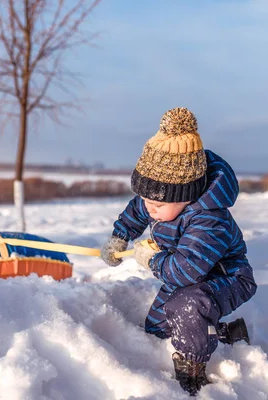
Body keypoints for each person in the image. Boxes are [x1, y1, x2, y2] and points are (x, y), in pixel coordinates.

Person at [100, 107, 257, 396]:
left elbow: (188, 269)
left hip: (227, 277)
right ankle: (228, 333)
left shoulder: (210, 220)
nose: (149, 208)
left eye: (157, 204)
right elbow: (137, 211)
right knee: (158, 328)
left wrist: (152, 260)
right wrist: (119, 238)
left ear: (185, 197)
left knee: (187, 307)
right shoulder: (157, 203)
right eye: (145, 199)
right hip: (185, 273)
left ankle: (192, 372)